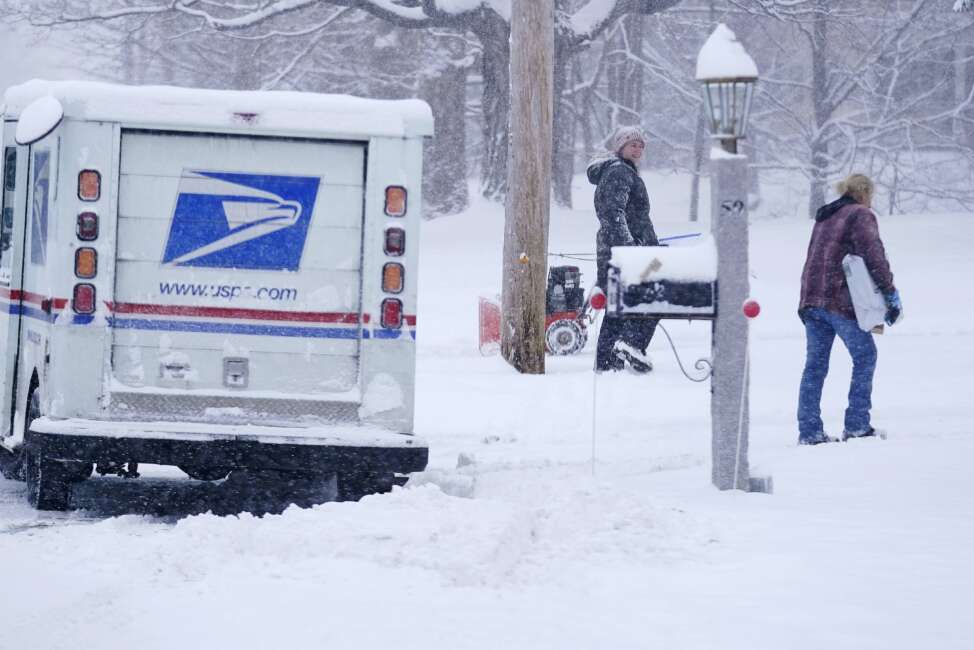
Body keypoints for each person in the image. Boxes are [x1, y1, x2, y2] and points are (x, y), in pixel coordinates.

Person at [797, 173, 902, 445]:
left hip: (811, 300)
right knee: (865, 356)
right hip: (837, 301)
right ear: (865, 193)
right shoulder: (860, 215)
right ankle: (857, 425)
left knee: (815, 366)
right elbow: (874, 256)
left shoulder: (826, 215)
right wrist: (890, 294)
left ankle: (810, 432)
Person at [587, 125, 659, 373]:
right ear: (620, 147)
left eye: (641, 145)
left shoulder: (624, 172)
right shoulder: (619, 172)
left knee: (618, 306)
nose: (638, 149)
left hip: (624, 250)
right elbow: (612, 214)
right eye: (632, 144)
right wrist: (630, 248)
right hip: (623, 253)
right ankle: (630, 345)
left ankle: (609, 362)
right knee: (651, 296)